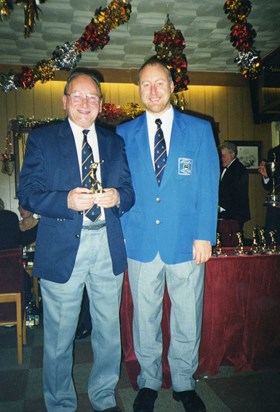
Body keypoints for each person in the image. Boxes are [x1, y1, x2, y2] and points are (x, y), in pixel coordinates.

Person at [17, 68, 135, 412]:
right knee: (58, 337)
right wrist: (64, 200)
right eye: (78, 96)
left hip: (107, 246)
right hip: (63, 245)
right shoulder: (42, 139)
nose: (85, 103)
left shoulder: (114, 142)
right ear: (65, 100)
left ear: (100, 104)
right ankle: (60, 404)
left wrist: (118, 197)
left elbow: (129, 192)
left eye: (92, 97)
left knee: (108, 332)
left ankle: (102, 395)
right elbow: (28, 192)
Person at [116, 57, 219, 412]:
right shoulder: (123, 134)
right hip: (141, 241)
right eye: (145, 84)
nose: (153, 90)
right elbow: (120, 187)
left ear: (173, 87)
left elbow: (208, 186)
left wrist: (205, 234)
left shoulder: (199, 130)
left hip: (187, 242)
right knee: (144, 317)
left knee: (187, 314)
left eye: (159, 83)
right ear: (139, 90)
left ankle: (184, 382)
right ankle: (147, 381)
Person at [218, 141, 251, 233]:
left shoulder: (239, 170)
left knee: (232, 243)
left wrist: (220, 207)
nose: (221, 158)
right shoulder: (222, 168)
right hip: (226, 214)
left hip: (234, 214)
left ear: (232, 154)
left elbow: (236, 193)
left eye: (224, 156)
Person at [258, 144, 280, 244]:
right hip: (276, 207)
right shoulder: (274, 152)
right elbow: (270, 185)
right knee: (273, 241)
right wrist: (266, 176)